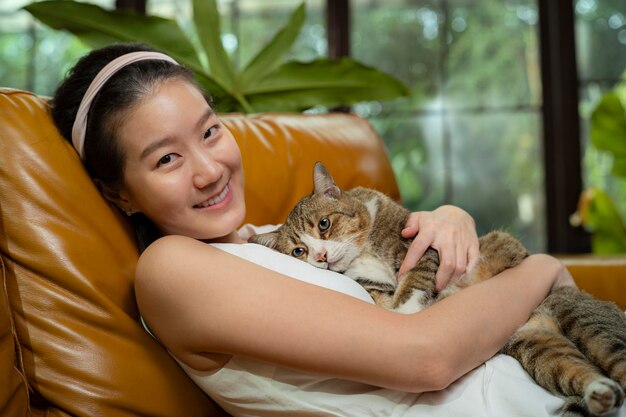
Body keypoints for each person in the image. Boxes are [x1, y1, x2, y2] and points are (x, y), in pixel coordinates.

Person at [51, 43, 577, 416]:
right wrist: (544, 269)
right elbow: (427, 357)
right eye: (166, 158)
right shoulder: (172, 270)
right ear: (118, 192)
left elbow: (401, 259)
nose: (209, 170)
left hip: (541, 377)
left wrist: (448, 219)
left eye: (210, 131)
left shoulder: (280, 236)